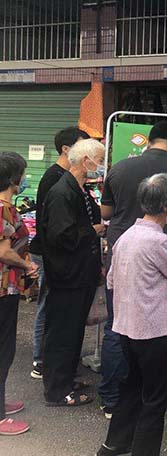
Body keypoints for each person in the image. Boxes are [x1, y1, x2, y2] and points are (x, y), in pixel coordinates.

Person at [99, 122, 167, 417]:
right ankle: (156, 393)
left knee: (117, 326)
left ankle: (112, 397)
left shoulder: (119, 168)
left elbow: (105, 212)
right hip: (165, 259)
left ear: (149, 141)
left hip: (122, 252)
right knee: (159, 329)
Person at [97, 174, 167, 456]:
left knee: (131, 386)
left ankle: (114, 444)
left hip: (126, 325)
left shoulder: (126, 236)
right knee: (155, 397)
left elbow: (112, 280)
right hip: (155, 330)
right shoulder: (158, 241)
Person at [40, 138, 105, 407]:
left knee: (73, 331)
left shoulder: (77, 188)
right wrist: (93, 231)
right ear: (85, 160)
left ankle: (65, 378)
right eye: (99, 160)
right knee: (62, 333)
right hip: (67, 275)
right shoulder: (61, 191)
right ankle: (57, 390)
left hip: (79, 274)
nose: (100, 166)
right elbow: (60, 235)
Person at [29, 125, 89, 380]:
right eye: (82, 146)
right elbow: (54, 228)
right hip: (48, 253)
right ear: (67, 149)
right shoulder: (55, 179)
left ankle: (50, 358)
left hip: (55, 252)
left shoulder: (68, 177)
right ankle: (41, 359)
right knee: (48, 304)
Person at [0, 151, 38, 436]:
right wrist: (27, 263)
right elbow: (3, 251)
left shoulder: (7, 207)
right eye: (23, 174)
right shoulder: (2, 208)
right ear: (14, 179)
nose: (24, 179)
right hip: (3, 288)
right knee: (3, 350)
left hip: (9, 286)